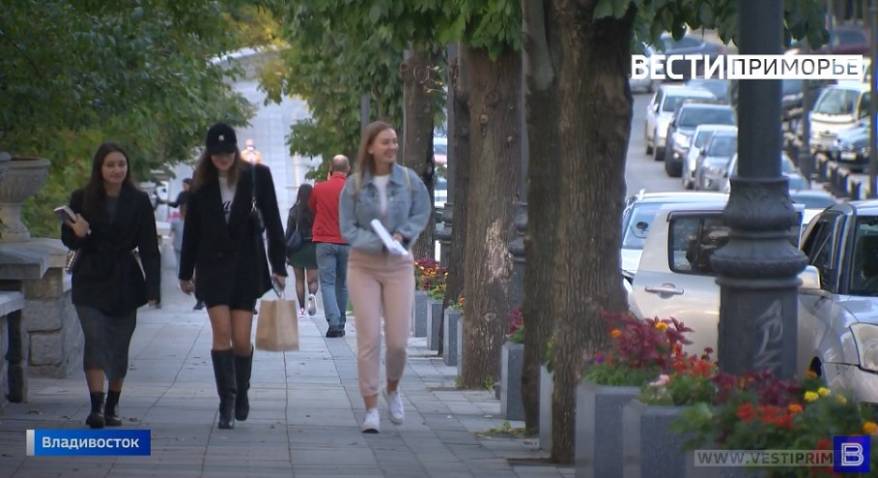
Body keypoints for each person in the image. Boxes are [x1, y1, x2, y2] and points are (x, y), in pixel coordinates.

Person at [178, 123, 287, 430]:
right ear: (209, 154)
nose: (223, 158)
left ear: (236, 151)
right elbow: (192, 231)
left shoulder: (256, 176)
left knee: (241, 340)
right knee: (221, 332)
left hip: (246, 266)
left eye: (227, 152)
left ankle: (241, 391)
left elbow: (274, 221)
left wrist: (278, 265)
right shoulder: (201, 184)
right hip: (212, 267)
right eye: (216, 154)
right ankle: (226, 401)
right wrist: (186, 273)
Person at [61, 142, 161, 428]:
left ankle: (113, 404)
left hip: (125, 280)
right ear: (100, 168)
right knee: (95, 339)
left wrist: (153, 287)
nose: (117, 170)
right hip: (90, 277)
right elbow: (68, 240)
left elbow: (149, 248)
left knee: (119, 344)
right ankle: (96, 406)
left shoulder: (139, 200)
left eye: (121, 164)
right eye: (110, 165)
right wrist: (78, 232)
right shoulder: (81, 198)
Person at [339, 121, 431, 433]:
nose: (392, 147)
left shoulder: (408, 180)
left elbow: (422, 211)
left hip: (398, 265)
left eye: (394, 141)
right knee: (368, 338)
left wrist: (402, 235)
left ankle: (392, 388)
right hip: (363, 265)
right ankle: (370, 409)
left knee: (397, 342)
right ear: (370, 147)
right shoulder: (353, 185)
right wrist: (376, 241)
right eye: (385, 142)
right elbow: (347, 228)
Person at [310, 155, 351, 338]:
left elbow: (313, 208)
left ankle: (333, 323)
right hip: (347, 242)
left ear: (330, 168)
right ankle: (341, 322)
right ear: (348, 169)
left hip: (324, 241)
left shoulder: (319, 188)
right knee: (342, 284)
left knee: (327, 283)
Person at [285, 184, 319, 318]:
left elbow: (289, 232)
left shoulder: (294, 211)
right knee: (313, 280)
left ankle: (302, 308)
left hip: (297, 249)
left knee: (299, 280)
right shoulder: (316, 210)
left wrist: (286, 251)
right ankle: (312, 296)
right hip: (313, 247)